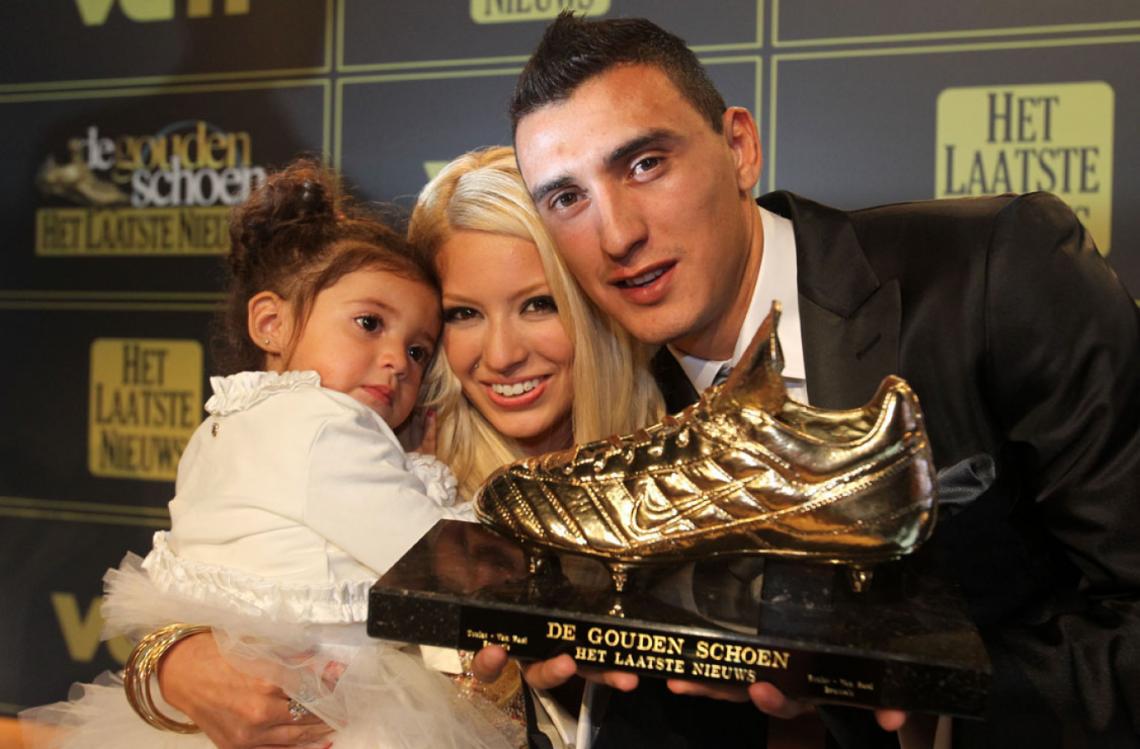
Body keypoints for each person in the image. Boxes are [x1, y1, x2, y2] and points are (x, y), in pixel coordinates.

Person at [474, 11, 1140, 749]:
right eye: (568, 198)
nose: (617, 234)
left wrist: (936, 703)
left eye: (645, 164)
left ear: (740, 148)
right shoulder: (610, 408)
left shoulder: (993, 273)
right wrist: (575, 687)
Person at [94, 148, 666, 749]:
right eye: (465, 313)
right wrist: (170, 659)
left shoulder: (684, 454)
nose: (501, 355)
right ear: (271, 324)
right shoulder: (366, 443)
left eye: (538, 304)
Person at [21, 160, 521, 749]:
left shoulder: (227, 422)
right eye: (368, 324)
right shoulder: (323, 425)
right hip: (333, 711)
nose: (397, 361)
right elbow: (438, 559)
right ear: (271, 323)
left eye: (417, 351)